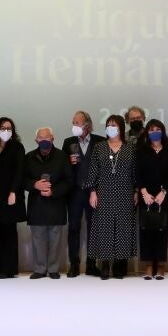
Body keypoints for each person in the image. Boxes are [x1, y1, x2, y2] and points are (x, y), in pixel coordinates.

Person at [84, 114, 138, 279]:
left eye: (114, 125)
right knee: (104, 227)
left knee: (123, 227)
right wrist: (93, 192)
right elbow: (93, 170)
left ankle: (120, 264)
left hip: (125, 193)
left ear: (121, 128)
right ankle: (105, 264)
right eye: (108, 125)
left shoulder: (131, 147)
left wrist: (136, 191)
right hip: (104, 192)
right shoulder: (99, 147)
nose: (111, 128)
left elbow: (135, 171)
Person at [23, 127, 73, 279]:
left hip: (56, 204)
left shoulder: (62, 156)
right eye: (41, 138)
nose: (44, 140)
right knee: (38, 238)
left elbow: (69, 181)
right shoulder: (29, 157)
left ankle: (53, 269)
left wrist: (54, 191)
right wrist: (34, 185)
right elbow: (22, 179)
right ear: (36, 140)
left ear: (52, 138)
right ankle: (39, 269)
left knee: (55, 239)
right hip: (36, 205)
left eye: (47, 137)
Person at [61, 110, 104, 277]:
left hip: (94, 192)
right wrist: (68, 162)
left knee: (94, 228)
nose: (74, 125)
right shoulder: (68, 142)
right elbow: (63, 168)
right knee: (73, 227)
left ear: (87, 125)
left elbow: (104, 168)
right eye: (73, 122)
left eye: (77, 123)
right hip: (75, 192)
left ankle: (92, 264)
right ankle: (74, 264)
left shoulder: (100, 141)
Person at [135, 120, 168, 280]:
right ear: (147, 132)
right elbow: (137, 173)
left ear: (163, 131)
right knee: (146, 229)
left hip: (163, 195)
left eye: (158, 129)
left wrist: (164, 191)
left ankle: (160, 265)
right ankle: (148, 265)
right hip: (146, 194)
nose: (155, 132)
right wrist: (143, 192)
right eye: (151, 130)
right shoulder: (142, 149)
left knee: (162, 229)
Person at [0, 116, 26, 279]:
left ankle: (9, 269)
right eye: (3, 128)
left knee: (9, 231)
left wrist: (13, 192)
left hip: (11, 195)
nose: (6, 131)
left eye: (9, 128)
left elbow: (19, 171)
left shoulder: (17, 147)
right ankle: (0, 268)